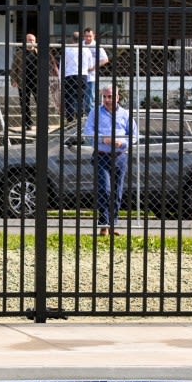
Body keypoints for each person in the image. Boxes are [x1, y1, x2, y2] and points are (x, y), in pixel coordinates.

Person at [83, 85, 137, 236]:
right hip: (101, 155)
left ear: (117, 97)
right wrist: (103, 139)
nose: (107, 100)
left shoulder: (125, 115)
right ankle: (104, 224)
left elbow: (134, 136)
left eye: (110, 96)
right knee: (104, 189)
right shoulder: (95, 113)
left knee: (116, 192)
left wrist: (123, 143)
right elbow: (87, 134)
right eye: (104, 97)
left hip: (120, 157)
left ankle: (112, 224)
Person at [9, 33, 45, 129]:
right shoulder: (19, 53)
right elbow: (13, 68)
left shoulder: (39, 53)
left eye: (33, 40)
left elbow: (45, 68)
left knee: (40, 103)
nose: (31, 41)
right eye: (29, 40)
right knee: (24, 104)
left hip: (37, 82)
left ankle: (42, 123)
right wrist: (13, 80)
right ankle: (28, 123)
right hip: (23, 82)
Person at [61, 30, 93, 125]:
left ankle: (70, 119)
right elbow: (90, 65)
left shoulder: (67, 49)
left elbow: (63, 65)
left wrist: (60, 78)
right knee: (81, 97)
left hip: (69, 75)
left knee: (69, 98)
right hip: (82, 75)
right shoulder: (86, 50)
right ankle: (80, 118)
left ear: (72, 39)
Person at [82, 27, 110, 114]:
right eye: (86, 36)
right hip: (80, 75)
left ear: (94, 36)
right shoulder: (81, 45)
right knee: (80, 97)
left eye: (90, 36)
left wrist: (93, 67)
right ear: (83, 36)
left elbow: (105, 59)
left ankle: (90, 116)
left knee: (90, 98)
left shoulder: (96, 46)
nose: (88, 38)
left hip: (91, 76)